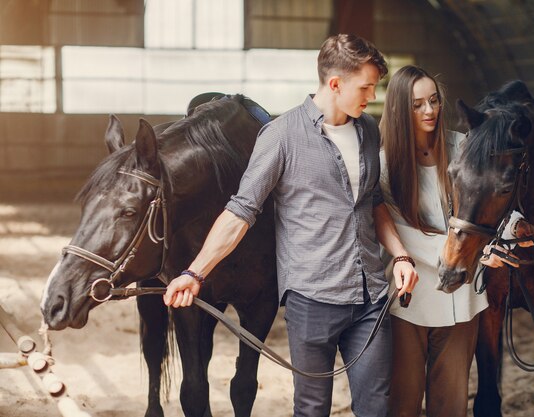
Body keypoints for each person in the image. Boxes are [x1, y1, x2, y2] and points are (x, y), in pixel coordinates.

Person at [163, 34, 418, 417]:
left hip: (371, 298)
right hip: (313, 298)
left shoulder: (367, 130)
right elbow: (241, 211)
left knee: (377, 407)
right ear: (335, 84)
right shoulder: (281, 135)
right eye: (366, 87)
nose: (372, 96)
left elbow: (372, 202)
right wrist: (194, 273)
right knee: (312, 408)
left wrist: (399, 255)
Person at [378, 65, 534, 417]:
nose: (429, 111)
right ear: (398, 110)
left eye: (434, 100)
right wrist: (477, 254)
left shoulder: (465, 145)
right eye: (417, 104)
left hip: (464, 298)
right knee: (402, 404)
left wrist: (510, 230)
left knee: (451, 407)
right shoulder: (386, 163)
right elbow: (401, 232)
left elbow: (488, 198)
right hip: (410, 300)